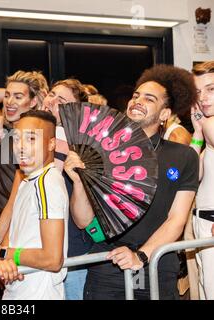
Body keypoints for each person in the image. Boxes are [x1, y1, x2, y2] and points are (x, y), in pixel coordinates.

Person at [65, 64, 199, 299]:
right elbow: (84, 220)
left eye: (149, 99)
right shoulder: (101, 152)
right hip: (108, 266)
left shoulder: (183, 156)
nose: (137, 101)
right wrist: (78, 182)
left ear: (165, 114)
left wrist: (142, 255)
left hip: (157, 263)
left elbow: (176, 219)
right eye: (136, 95)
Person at [0, 70, 48, 299]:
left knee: (13, 292)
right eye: (7, 95)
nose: (10, 102)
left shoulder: (37, 135)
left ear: (34, 101)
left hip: (19, 228)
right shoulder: (3, 128)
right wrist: (1, 115)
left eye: (18, 97)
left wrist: (36, 94)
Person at [0, 110, 68, 299]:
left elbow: (52, 259)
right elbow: (3, 249)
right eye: (16, 139)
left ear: (51, 144)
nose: (21, 147)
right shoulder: (26, 182)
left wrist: (10, 255)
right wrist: (0, 260)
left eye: (31, 139)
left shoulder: (47, 183)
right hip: (16, 293)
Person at [41, 79, 94, 300]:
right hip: (45, 247)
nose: (51, 100)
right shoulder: (39, 136)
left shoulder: (74, 143)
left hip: (72, 249)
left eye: (61, 100)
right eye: (51, 93)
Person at [190, 61, 214, 300]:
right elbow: (193, 177)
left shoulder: (212, 123)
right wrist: (197, 134)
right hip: (203, 225)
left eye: (211, 89)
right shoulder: (206, 125)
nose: (203, 98)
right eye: (198, 91)